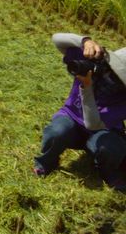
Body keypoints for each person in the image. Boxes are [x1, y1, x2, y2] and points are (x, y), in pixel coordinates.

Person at [34, 34, 126, 191]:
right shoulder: (91, 64)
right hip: (72, 119)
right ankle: (45, 162)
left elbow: (93, 124)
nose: (109, 77)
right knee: (56, 132)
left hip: (103, 131)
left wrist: (86, 87)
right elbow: (57, 39)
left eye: (118, 77)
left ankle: (109, 172)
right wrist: (85, 41)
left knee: (112, 149)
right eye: (110, 70)